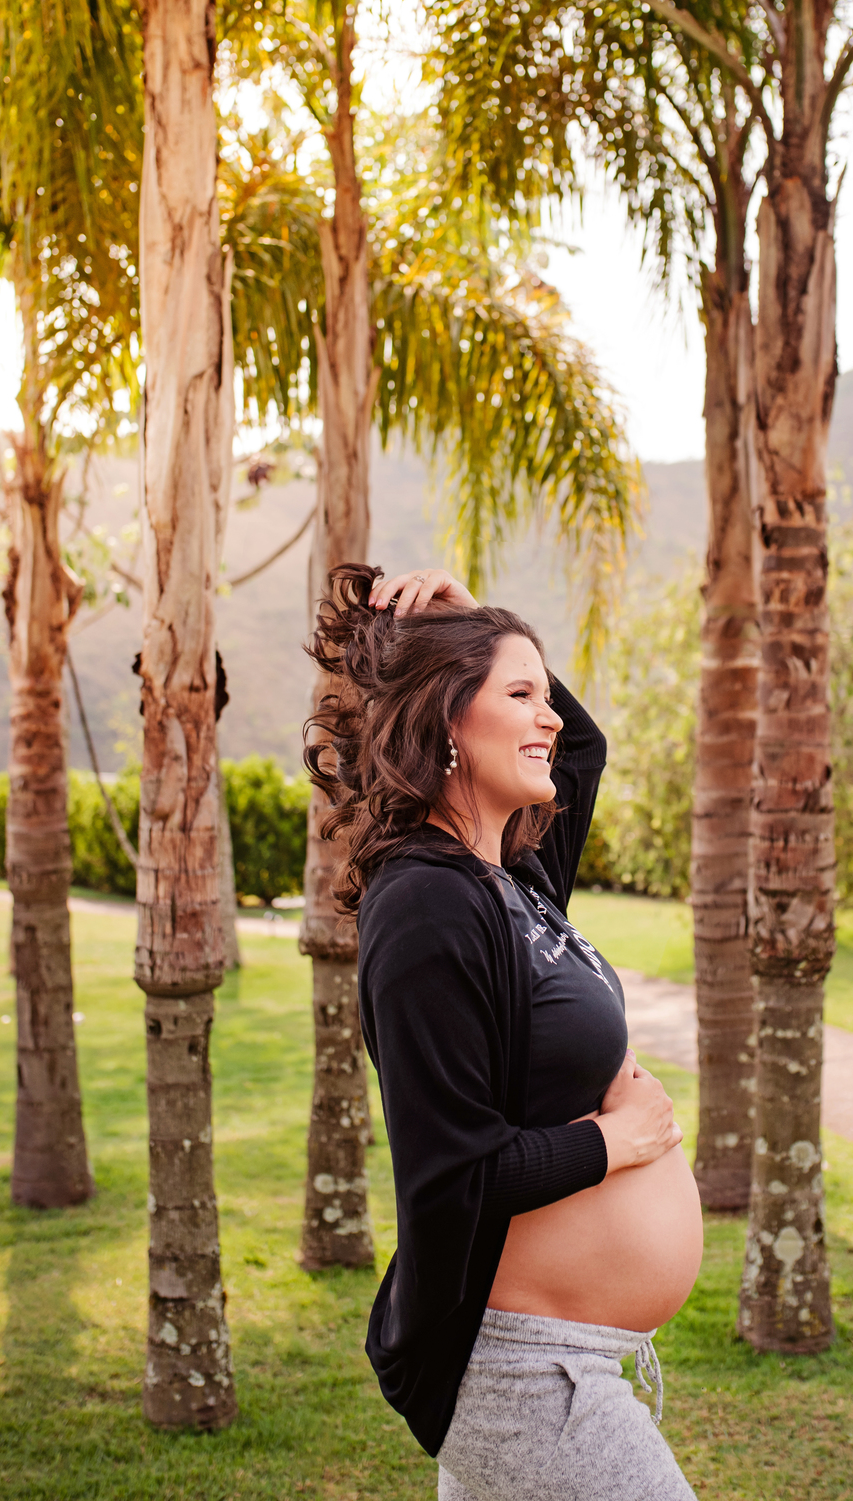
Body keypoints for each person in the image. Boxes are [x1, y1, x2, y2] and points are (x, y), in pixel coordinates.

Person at [304, 562, 704, 1500]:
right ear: (449, 718)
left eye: (543, 692)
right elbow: (450, 1175)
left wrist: (471, 618)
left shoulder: (511, 877)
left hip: (562, 1360)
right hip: (521, 1371)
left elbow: (582, 748)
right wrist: (618, 1141)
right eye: (519, 694)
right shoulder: (426, 904)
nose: (549, 715)